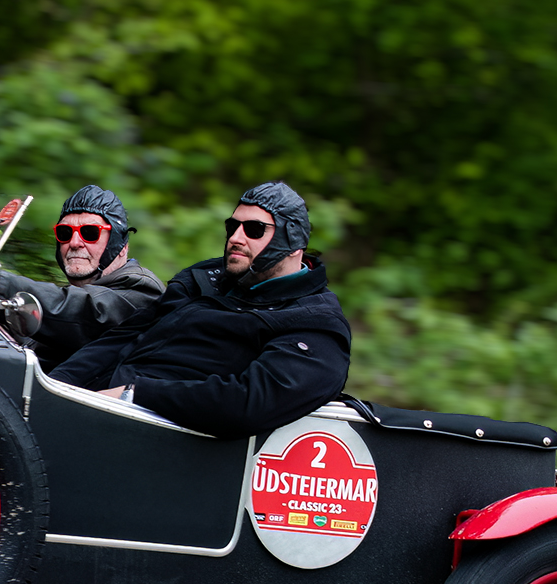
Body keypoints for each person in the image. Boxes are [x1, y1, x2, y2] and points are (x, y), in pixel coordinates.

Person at [50, 181, 351, 439]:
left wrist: (137, 393)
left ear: (292, 241)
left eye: (254, 229)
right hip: (99, 409)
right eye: (233, 226)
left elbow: (249, 404)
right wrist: (52, 390)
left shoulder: (315, 323)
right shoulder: (206, 278)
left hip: (165, 438)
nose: (236, 237)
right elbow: (121, 338)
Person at [0, 185, 164, 370]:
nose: (74, 243)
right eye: (65, 233)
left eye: (90, 233)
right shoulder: (75, 294)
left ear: (120, 245)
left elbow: (82, 313)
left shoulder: (142, 291)